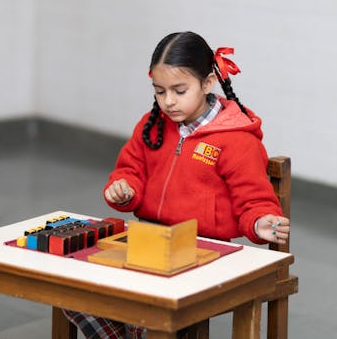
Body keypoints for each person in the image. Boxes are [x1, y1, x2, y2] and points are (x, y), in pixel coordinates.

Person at [65, 31, 291, 338]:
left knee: (148, 307)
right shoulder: (152, 124)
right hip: (149, 240)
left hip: (204, 251)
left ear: (208, 83)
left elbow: (255, 200)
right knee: (72, 285)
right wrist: (123, 189)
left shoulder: (236, 139)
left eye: (179, 90)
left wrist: (260, 221)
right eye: (160, 91)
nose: (168, 101)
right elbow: (129, 170)